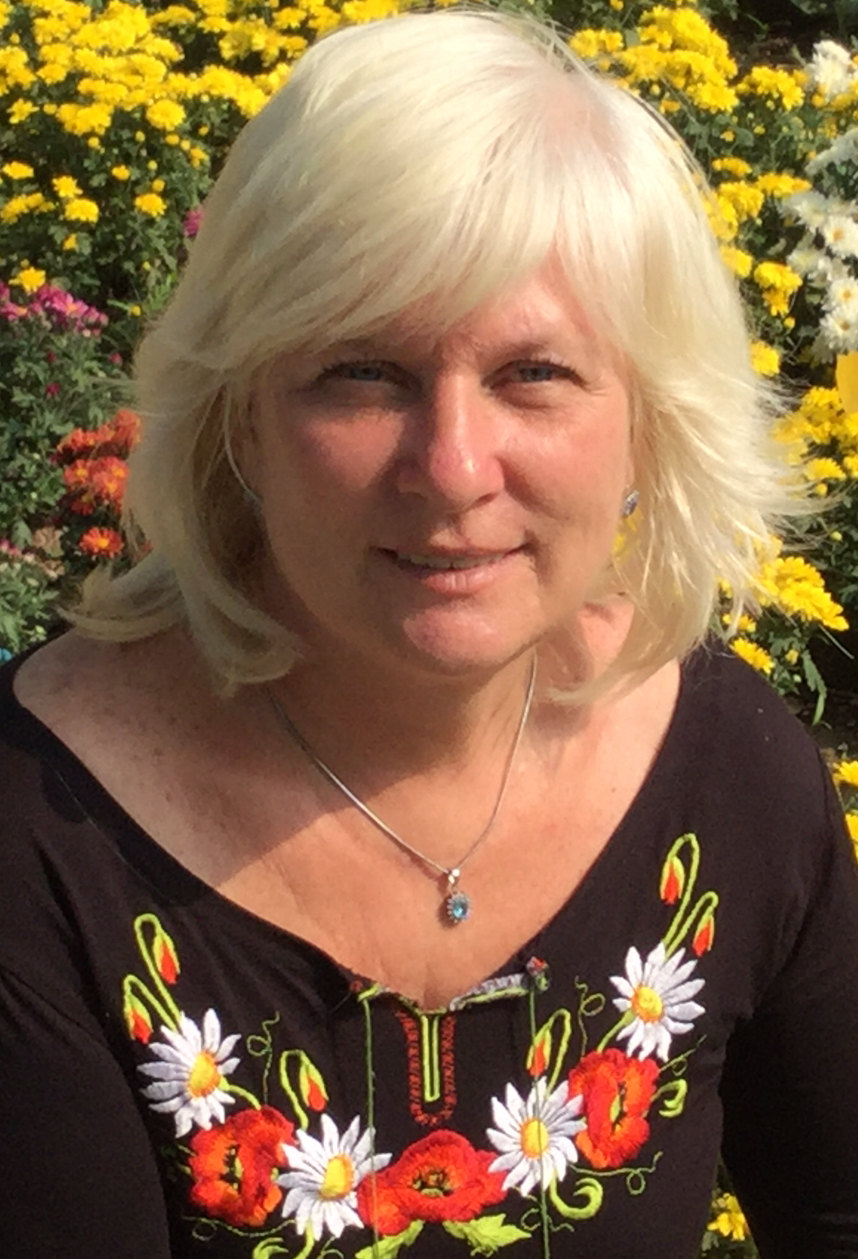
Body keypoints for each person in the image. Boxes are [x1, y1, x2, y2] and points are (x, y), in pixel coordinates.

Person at [2, 8, 857, 1258]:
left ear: (647, 423)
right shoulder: (36, 844)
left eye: (534, 374)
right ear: (242, 417)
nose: (453, 467)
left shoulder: (730, 768)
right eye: (363, 370)